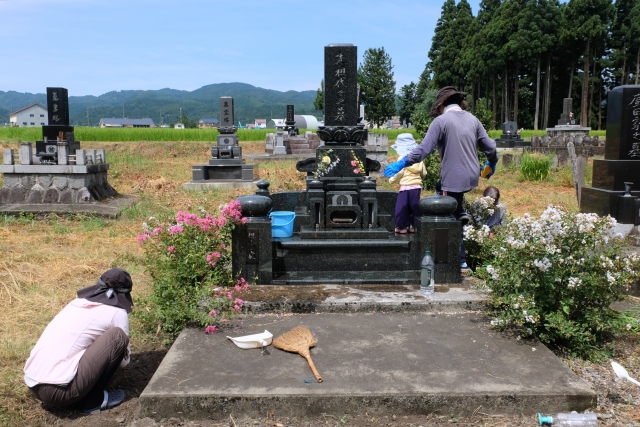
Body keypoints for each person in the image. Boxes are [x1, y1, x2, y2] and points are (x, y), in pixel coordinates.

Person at [384, 86, 498, 268]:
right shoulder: (473, 119)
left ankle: (460, 261)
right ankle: (460, 211)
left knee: (449, 215)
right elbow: (490, 148)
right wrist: (492, 163)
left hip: (453, 179)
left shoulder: (441, 121)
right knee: (443, 191)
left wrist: (402, 162)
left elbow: (424, 150)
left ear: (442, 104)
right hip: (471, 176)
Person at [23, 268, 133, 414]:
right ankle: (94, 401)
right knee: (117, 337)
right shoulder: (117, 312)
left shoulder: (77, 303)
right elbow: (124, 362)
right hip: (59, 393)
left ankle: (81, 389)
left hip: (33, 384)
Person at [389, 134, 426, 234]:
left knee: (402, 207)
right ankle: (414, 226)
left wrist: (392, 180)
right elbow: (424, 172)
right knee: (415, 207)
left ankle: (402, 227)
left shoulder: (403, 158)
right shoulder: (419, 159)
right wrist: (420, 179)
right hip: (416, 186)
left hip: (405, 186)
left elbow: (400, 172)